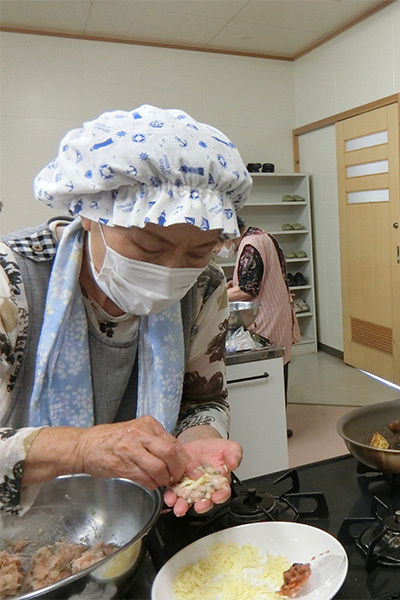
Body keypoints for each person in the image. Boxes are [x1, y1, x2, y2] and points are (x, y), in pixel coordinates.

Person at [0, 104, 252, 517]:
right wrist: (80, 448)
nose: (168, 271)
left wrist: (198, 437)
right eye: (148, 246)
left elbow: (202, 398)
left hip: (134, 517)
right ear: (89, 213)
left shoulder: (205, 287)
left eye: (199, 251)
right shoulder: (12, 280)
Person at [225, 217, 300, 436]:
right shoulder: (263, 235)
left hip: (265, 317)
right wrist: (235, 283)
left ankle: (271, 430)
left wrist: (216, 295)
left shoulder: (250, 247)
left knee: (269, 374)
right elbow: (256, 278)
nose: (218, 248)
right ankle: (277, 424)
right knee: (280, 371)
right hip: (278, 312)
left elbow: (248, 290)